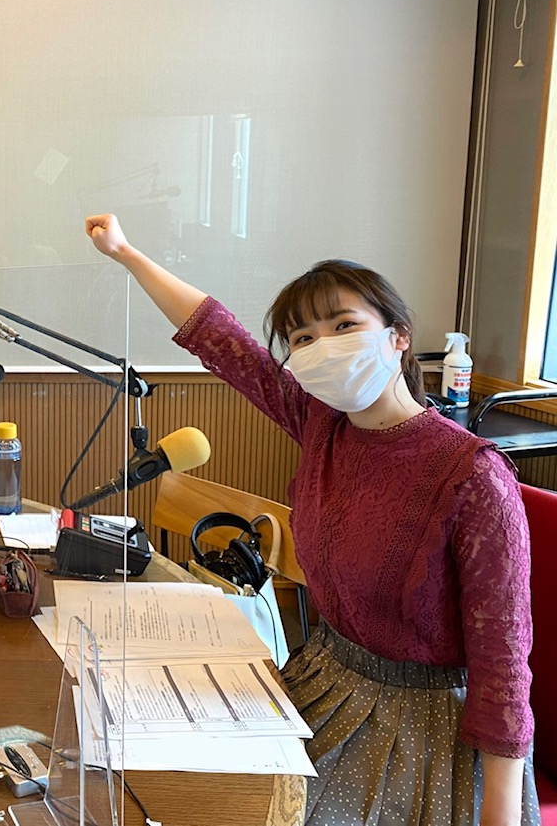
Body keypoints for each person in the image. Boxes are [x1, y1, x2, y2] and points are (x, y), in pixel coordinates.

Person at [85, 213, 538, 826]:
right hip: (323, 680)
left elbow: (502, 663)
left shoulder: (472, 476)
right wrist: (127, 253)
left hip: (424, 734)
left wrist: (500, 814)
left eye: (344, 326)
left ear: (399, 337)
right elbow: (220, 339)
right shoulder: (323, 423)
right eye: (302, 338)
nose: (322, 347)